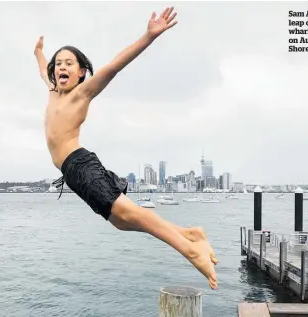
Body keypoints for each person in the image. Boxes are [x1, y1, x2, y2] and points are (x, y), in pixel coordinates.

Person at [34, 7, 219, 290]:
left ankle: (189, 250)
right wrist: (38, 53)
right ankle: (190, 233)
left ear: (82, 72)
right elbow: (43, 69)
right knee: (120, 221)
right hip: (73, 173)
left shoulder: (82, 93)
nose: (61, 67)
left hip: (80, 164)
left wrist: (148, 36)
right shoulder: (51, 92)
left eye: (69, 63)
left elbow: (114, 66)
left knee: (131, 214)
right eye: (58, 64)